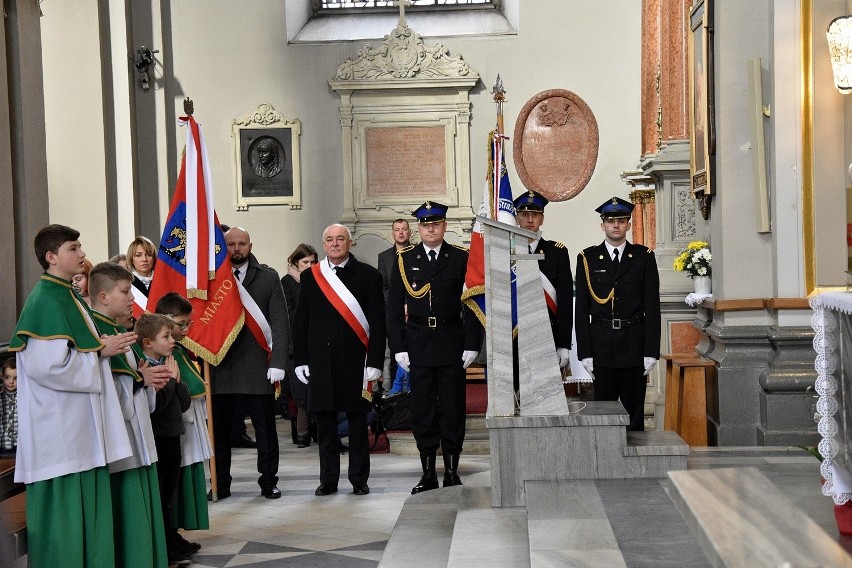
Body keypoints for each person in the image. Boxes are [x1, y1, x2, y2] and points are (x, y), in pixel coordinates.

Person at [10, 224, 135, 568]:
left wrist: (98, 351)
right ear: (51, 257)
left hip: (79, 429)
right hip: (61, 432)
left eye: (80, 247)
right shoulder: (45, 300)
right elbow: (46, 367)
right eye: (73, 248)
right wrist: (99, 351)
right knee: (66, 516)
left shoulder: (66, 295)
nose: (81, 254)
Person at [387, 202, 482, 494]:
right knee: (423, 409)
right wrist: (399, 347)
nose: (431, 228)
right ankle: (428, 472)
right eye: (426, 224)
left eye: (436, 223)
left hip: (452, 340)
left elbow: (475, 302)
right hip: (418, 342)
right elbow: (392, 310)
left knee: (453, 408)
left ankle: (451, 471)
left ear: (444, 226)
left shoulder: (461, 258)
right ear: (419, 228)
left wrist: (473, 343)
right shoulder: (404, 260)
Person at [88, 262, 172, 568]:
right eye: (125, 291)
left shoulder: (117, 331)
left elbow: (133, 380)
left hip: (138, 433)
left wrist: (145, 381)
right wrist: (140, 381)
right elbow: (104, 389)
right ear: (104, 296)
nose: (131, 298)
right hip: (119, 440)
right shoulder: (97, 333)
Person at [293, 224, 385, 497]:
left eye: (340, 239)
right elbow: (301, 321)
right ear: (323, 245)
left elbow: (379, 325)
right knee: (325, 424)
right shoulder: (311, 277)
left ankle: (359, 479)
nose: (335, 244)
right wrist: (301, 360)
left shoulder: (369, 276)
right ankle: (328, 479)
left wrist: (376, 362)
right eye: (330, 240)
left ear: (350, 243)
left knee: (358, 423)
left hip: (356, 361)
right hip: (321, 362)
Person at [210, 227, 289, 500]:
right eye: (230, 244)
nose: (236, 249)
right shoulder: (212, 279)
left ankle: (269, 481)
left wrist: (278, 361)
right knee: (219, 434)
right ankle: (221, 484)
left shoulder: (268, 277)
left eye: (241, 243)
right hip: (221, 365)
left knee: (265, 431)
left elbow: (280, 323)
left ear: (250, 245)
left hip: (258, 366)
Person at [574, 197, 661, 431]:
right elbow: (581, 311)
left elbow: (653, 307)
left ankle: (635, 463)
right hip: (602, 346)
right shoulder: (587, 259)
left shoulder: (644, 257)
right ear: (602, 225)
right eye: (610, 221)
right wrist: (585, 353)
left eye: (621, 221)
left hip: (634, 343)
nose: (616, 225)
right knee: (604, 414)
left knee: (634, 415)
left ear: (628, 225)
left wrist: (651, 351)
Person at [155, 293, 209, 558]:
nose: (186, 329)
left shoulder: (178, 349)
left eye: (189, 323)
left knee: (173, 488)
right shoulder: (163, 354)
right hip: (172, 430)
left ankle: (173, 535)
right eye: (181, 324)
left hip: (181, 428)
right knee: (169, 489)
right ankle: (168, 537)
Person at [136, 313, 192, 566]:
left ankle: (172, 537)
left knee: (170, 493)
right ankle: (165, 544)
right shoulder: (146, 367)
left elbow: (183, 403)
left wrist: (176, 381)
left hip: (172, 437)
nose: (172, 340)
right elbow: (155, 406)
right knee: (161, 494)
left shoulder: (166, 364)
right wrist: (170, 381)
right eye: (166, 336)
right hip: (158, 438)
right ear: (148, 342)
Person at [513, 190, 573, 386]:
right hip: (513, 335)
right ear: (516, 217)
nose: (530, 220)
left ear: (542, 219)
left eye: (535, 215)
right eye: (524, 214)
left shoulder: (557, 252)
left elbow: (564, 303)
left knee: (546, 398)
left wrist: (563, 344)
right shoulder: (505, 252)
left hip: (548, 335)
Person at [281, 243, 318, 448]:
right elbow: (289, 314)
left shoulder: (318, 280)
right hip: (295, 345)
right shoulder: (287, 282)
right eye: (305, 262)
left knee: (315, 390)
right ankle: (302, 433)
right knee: (300, 392)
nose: (310, 265)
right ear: (296, 262)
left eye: (313, 261)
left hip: (315, 342)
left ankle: (315, 430)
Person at [377, 218, 412, 396]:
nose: (401, 232)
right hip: (393, 313)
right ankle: (394, 394)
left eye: (404, 229)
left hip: (415, 312)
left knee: (415, 352)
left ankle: (412, 390)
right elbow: (383, 287)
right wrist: (398, 306)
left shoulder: (417, 253)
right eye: (397, 229)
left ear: (409, 232)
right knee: (394, 352)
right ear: (393, 233)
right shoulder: (384, 257)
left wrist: (409, 305)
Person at [127, 235, 157, 316]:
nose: (144, 259)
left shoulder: (160, 280)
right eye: (138, 255)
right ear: (131, 259)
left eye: (149, 255)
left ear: (154, 258)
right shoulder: (127, 282)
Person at [0, 358, 17, 458]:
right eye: (7, 377)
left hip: (19, 443)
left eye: (15, 378)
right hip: (3, 443)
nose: (11, 382)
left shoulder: (23, 395)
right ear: (2, 377)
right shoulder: (1, 395)